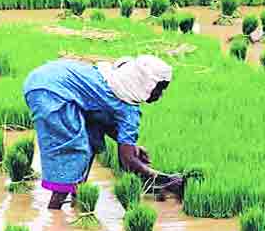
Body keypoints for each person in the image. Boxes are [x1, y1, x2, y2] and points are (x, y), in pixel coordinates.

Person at [23, 56, 182, 209]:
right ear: (145, 83)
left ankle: (79, 197)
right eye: (158, 89)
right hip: (51, 92)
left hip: (41, 78)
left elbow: (104, 124)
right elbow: (126, 161)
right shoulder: (129, 109)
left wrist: (132, 146)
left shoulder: (112, 81)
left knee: (91, 138)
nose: (160, 95)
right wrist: (164, 179)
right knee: (75, 151)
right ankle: (55, 212)